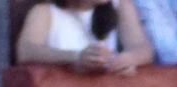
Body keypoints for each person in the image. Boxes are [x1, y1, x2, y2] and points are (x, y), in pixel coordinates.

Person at [16, 1, 156, 75]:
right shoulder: (45, 11)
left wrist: (126, 60)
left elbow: (143, 48)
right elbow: (26, 51)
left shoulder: (120, 5)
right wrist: (75, 57)